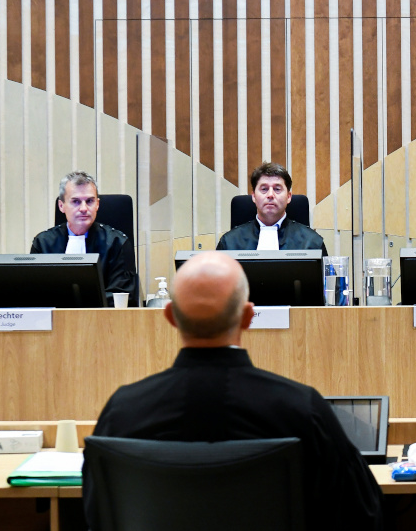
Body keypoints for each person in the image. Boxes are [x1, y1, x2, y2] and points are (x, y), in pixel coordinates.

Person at [83, 252, 382, 530]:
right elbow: (363, 513)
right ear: (249, 316)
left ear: (170, 317)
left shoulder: (123, 411)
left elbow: (96, 513)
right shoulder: (302, 409)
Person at [30, 171, 138, 307]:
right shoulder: (43, 243)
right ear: (61, 206)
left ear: (97, 204)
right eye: (76, 201)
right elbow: (35, 295)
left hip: (103, 319)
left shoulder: (117, 243)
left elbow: (122, 296)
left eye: (89, 201)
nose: (83, 208)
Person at [216, 162, 327, 254]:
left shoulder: (312, 242)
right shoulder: (229, 243)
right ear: (254, 196)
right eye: (264, 189)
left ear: (288, 197)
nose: (270, 195)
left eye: (277, 189)